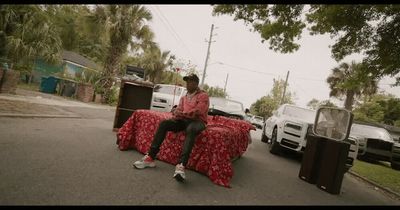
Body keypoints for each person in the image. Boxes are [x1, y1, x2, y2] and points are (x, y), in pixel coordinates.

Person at [133, 73, 210, 182]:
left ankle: (181, 166)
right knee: (165, 123)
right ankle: (150, 157)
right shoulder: (184, 97)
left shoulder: (203, 95)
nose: (188, 84)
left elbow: (198, 111)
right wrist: (177, 113)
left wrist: (181, 113)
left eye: (191, 82)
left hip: (198, 122)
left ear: (196, 84)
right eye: (187, 82)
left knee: (191, 129)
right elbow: (178, 110)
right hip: (184, 120)